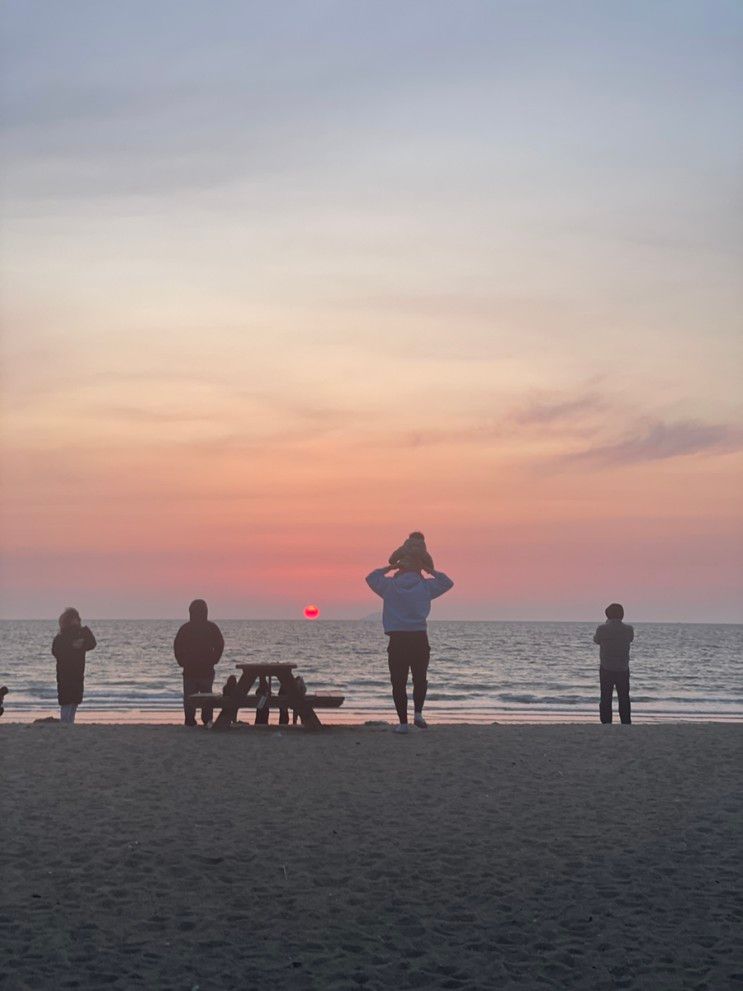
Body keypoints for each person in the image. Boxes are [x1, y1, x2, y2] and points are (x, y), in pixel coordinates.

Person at [366, 547, 454, 734]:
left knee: (398, 682)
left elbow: (371, 578)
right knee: (420, 679)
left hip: (397, 638)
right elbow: (447, 582)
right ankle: (418, 713)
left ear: (400, 568)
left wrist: (389, 567)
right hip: (419, 637)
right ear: (418, 569)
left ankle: (403, 724)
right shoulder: (425, 586)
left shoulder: (390, 586)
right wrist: (428, 569)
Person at [174, 599, 224, 727]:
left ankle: (200, 720)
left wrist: (215, 659)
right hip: (194, 670)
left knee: (201, 698)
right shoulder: (187, 629)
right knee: (194, 698)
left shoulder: (209, 628)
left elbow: (219, 644)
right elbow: (178, 646)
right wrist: (181, 661)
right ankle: (195, 720)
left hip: (203, 670)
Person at [51, 608, 97, 724]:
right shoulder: (60, 638)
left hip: (77, 674)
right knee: (66, 701)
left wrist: (84, 630)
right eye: (76, 618)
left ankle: (70, 723)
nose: (79, 620)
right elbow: (56, 651)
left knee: (75, 701)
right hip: (65, 675)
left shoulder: (81, 634)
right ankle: (65, 723)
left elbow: (92, 643)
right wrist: (72, 646)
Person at [593, 603, 634, 724]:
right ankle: (625, 721)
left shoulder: (602, 629)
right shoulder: (628, 629)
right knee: (624, 697)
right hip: (623, 667)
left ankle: (606, 722)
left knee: (606, 697)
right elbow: (631, 639)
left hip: (607, 667)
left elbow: (596, 640)